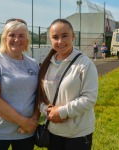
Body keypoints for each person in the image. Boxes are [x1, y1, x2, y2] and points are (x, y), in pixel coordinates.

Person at [37, 19, 98, 150]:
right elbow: (40, 95)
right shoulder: (46, 65)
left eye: (64, 36)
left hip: (78, 133)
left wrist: (61, 112)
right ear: (50, 39)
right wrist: (46, 111)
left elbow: (89, 98)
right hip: (53, 130)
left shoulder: (85, 64)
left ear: (73, 36)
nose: (60, 41)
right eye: (55, 37)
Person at [0, 18, 40, 150]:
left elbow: (38, 95)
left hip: (26, 132)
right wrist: (23, 122)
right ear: (4, 38)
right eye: (12, 35)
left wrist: (33, 120)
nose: (17, 39)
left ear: (27, 39)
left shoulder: (33, 63)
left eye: (21, 35)